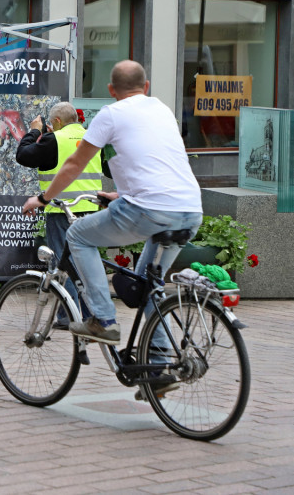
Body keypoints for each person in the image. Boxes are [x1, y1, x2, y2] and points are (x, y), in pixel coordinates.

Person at [22, 60, 203, 344]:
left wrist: (43, 199)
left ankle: (103, 320)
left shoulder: (111, 114)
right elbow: (163, 168)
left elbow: (74, 165)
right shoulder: (163, 110)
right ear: (146, 87)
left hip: (148, 210)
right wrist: (118, 195)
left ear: (111, 89)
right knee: (148, 285)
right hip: (190, 209)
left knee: (77, 236)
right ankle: (159, 364)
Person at [16, 101, 103, 318]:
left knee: (62, 265)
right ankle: (90, 314)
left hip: (62, 211)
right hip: (91, 210)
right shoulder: (91, 138)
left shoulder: (53, 139)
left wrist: (35, 130)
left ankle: (67, 315)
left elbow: (23, 155)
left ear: (56, 121)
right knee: (85, 264)